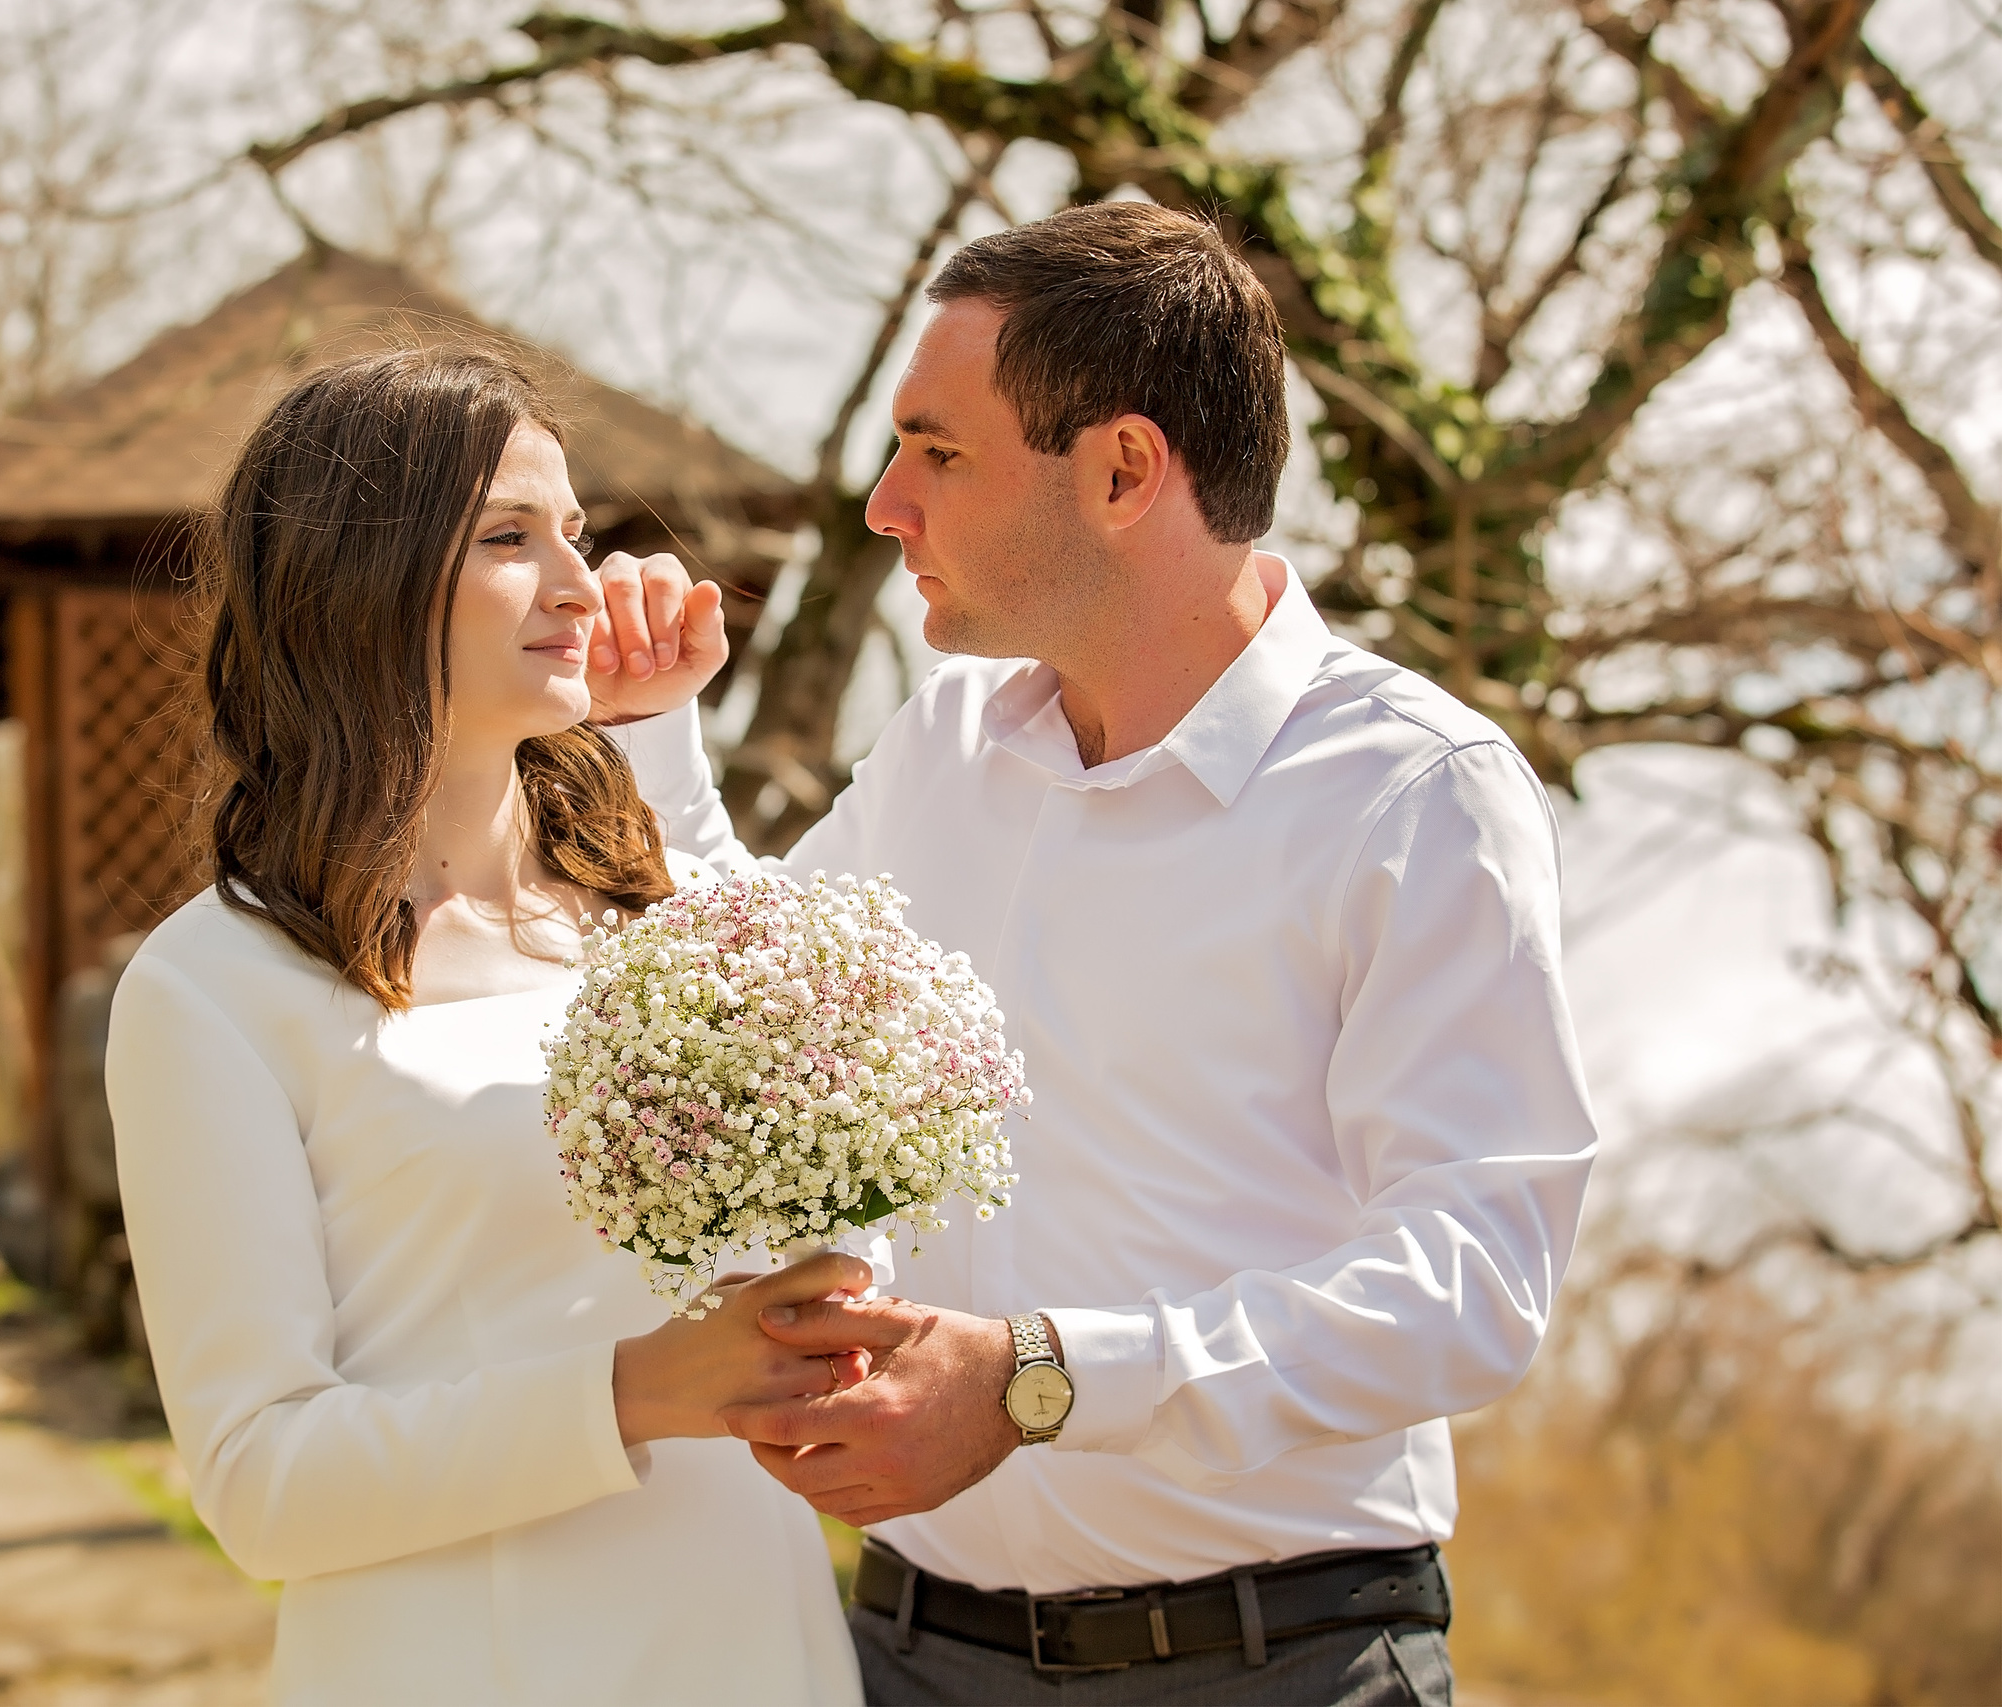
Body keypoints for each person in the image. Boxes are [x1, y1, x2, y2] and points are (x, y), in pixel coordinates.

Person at [595, 201, 1597, 1704]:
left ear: (1124, 470)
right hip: (909, 1653)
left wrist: (1035, 1378)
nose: (884, 506)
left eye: (938, 453)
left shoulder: (1415, 795)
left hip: (1280, 1667)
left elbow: (1471, 1286)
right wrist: (655, 730)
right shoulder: (945, 748)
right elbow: (745, 1009)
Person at [103, 348, 869, 1707]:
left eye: (577, 534)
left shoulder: (668, 912)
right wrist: (635, 1389)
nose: (582, 584)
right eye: (510, 540)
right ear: (360, 579)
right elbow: (261, 1483)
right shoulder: (212, 987)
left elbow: (835, 1211)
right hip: (464, 1661)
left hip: (757, 1641)